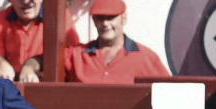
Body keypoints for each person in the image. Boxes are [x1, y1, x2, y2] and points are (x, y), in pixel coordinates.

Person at [21, 0, 169, 84]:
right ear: (93, 20)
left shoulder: (146, 57)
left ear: (123, 19)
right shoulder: (77, 54)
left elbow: (171, 91)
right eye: (100, 18)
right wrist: (28, 68)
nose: (105, 23)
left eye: (110, 17)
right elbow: (43, 60)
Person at [0, 0, 79, 82]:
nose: (26, 1)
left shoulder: (61, 17)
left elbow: (70, 57)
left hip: (47, 89)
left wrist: (30, 67)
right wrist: (1, 64)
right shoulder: (0, 18)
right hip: (11, 88)